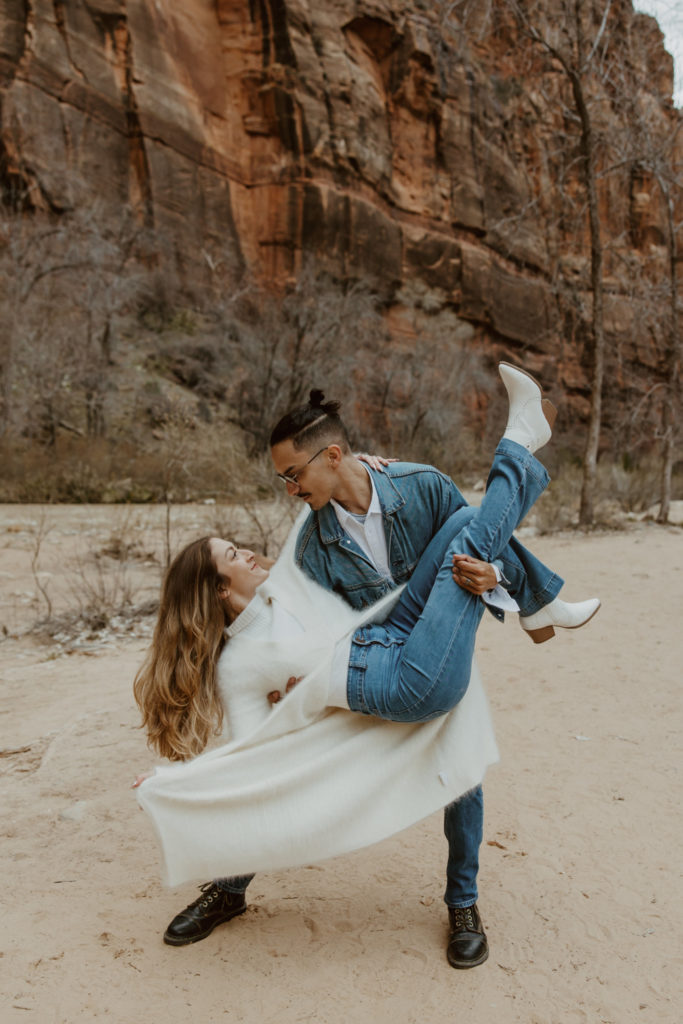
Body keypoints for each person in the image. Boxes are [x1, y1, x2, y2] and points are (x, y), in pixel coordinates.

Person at [134, 365, 600, 967]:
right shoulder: (311, 546)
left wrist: (497, 578)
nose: (289, 490)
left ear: (333, 455)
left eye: (293, 474)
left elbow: (486, 540)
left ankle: (463, 902)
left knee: (462, 767)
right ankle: (229, 885)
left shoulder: (422, 486)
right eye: (283, 478)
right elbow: (285, 622)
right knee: (282, 758)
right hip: (371, 659)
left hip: (433, 640)